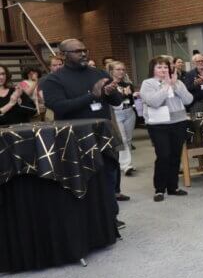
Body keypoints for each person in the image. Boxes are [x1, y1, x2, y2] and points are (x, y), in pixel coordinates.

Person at [39, 39, 126, 228]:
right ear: (63, 55)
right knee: (83, 180)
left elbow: (117, 101)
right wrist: (92, 96)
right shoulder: (53, 80)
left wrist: (109, 92)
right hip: (73, 139)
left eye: (85, 50)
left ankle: (110, 216)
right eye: (77, 51)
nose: (84, 54)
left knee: (108, 177)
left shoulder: (99, 73)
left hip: (102, 136)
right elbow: (59, 107)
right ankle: (86, 222)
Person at [140, 55, 194, 202]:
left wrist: (175, 85)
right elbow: (154, 102)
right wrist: (166, 86)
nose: (163, 70)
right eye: (159, 67)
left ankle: (173, 187)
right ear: (153, 69)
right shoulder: (148, 83)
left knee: (176, 156)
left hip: (179, 122)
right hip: (158, 125)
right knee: (163, 155)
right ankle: (159, 189)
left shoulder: (178, 82)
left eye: (165, 67)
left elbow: (189, 100)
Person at [107, 61, 138, 177]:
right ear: (111, 71)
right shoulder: (109, 85)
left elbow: (132, 99)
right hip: (116, 113)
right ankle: (126, 165)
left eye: (123, 69)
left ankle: (125, 163)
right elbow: (114, 99)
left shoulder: (127, 84)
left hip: (129, 111)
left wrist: (132, 95)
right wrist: (124, 95)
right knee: (122, 139)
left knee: (128, 139)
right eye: (118, 69)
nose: (121, 72)